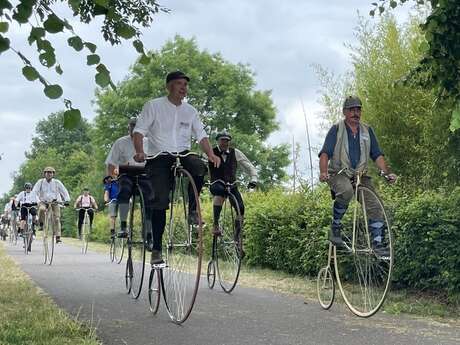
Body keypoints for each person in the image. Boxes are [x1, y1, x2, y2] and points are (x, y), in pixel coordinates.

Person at [133, 70, 221, 263]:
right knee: (160, 201)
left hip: (183, 153)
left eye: (186, 85)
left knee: (199, 167)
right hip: (159, 156)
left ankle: (192, 210)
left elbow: (201, 135)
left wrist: (211, 154)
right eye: (180, 84)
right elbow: (139, 131)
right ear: (169, 86)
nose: (184, 88)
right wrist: (140, 151)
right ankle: (156, 249)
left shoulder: (190, 111)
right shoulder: (153, 106)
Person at [318, 96, 396, 256]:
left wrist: (387, 173)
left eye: (358, 109)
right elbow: (325, 153)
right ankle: (336, 227)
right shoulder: (336, 129)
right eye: (352, 110)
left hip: (360, 175)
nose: (355, 113)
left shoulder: (367, 130)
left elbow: (377, 155)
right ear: (344, 112)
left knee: (375, 204)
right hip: (338, 173)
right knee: (346, 191)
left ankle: (377, 244)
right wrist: (324, 172)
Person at [208, 131, 258, 255]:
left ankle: (237, 238)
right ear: (218, 141)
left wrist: (253, 179)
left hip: (232, 184)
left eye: (226, 141)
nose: (224, 143)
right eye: (222, 140)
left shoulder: (236, 153)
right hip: (217, 183)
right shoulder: (210, 152)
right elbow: (202, 165)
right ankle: (215, 225)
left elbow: (249, 166)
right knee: (219, 193)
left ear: (229, 142)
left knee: (241, 208)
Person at [104, 117, 154, 238]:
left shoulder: (149, 142)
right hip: (126, 174)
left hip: (143, 174)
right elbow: (111, 163)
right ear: (129, 128)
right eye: (132, 126)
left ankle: (148, 232)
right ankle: (123, 226)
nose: (134, 128)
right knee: (124, 190)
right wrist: (112, 176)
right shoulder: (120, 142)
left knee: (150, 197)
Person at [32, 167, 71, 244]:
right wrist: (36, 201)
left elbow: (64, 191)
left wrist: (66, 200)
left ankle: (58, 236)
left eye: (51, 172)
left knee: (57, 219)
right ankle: (41, 223)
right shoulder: (40, 182)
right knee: (42, 209)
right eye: (47, 172)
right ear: (44, 174)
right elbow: (34, 192)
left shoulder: (57, 182)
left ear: (53, 174)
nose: (49, 174)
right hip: (43, 201)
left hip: (55, 202)